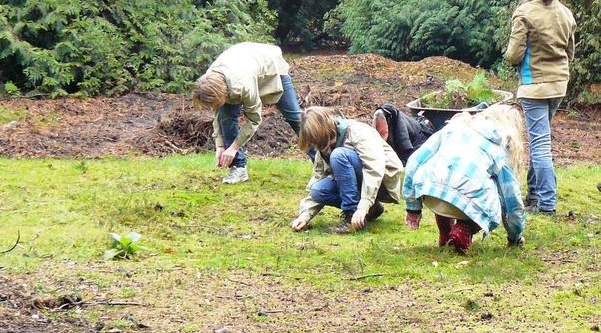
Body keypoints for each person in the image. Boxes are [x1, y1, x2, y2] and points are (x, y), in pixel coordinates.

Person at [403, 104, 527, 254]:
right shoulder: (499, 146)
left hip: (430, 192)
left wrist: (413, 207)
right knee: (492, 188)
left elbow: (415, 160)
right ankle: (465, 229)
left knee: (445, 178)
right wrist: (515, 236)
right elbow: (511, 198)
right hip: (466, 200)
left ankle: (445, 234)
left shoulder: (454, 127)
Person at [504, 0, 576, 214]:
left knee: (540, 144)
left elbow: (513, 55)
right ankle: (534, 195)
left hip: (534, 86)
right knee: (539, 140)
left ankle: (546, 203)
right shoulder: (564, 12)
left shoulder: (524, 13)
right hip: (558, 85)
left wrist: (509, 55)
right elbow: (570, 51)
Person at [192, 42, 302, 184]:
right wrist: (220, 146)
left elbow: (254, 120)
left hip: (271, 68)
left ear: (222, 93)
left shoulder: (243, 86)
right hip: (243, 65)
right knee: (226, 116)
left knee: (295, 118)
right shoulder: (210, 81)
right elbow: (217, 113)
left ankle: (324, 164)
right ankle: (238, 168)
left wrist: (233, 148)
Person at [290, 106, 403, 234]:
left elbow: (374, 170)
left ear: (326, 129)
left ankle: (351, 216)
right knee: (318, 190)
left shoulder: (359, 132)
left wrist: (362, 207)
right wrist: (304, 216)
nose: (317, 146)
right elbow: (318, 177)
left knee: (338, 156)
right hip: (360, 183)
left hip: (382, 182)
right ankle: (373, 209)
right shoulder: (324, 144)